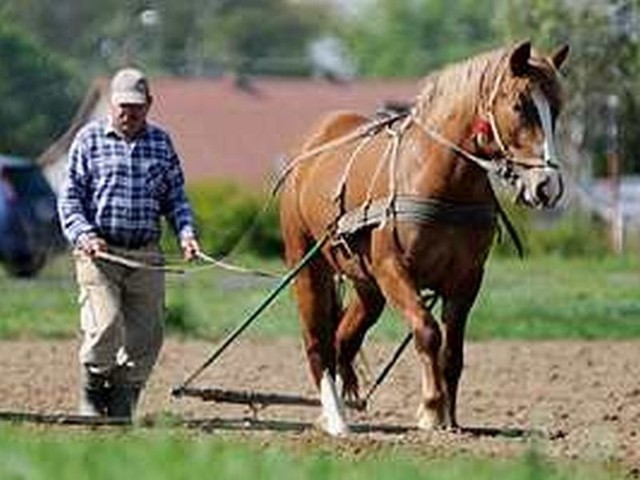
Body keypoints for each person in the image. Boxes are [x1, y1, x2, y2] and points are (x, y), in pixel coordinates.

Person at [58, 67, 200, 419]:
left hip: (146, 254)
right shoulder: (88, 140)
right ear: (112, 103)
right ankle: (93, 392)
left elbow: (176, 198)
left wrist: (186, 233)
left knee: (147, 336)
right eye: (123, 105)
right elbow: (70, 197)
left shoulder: (161, 142)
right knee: (103, 326)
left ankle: (124, 399)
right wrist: (85, 234)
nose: (129, 112)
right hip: (100, 252)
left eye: (136, 106)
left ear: (149, 104)